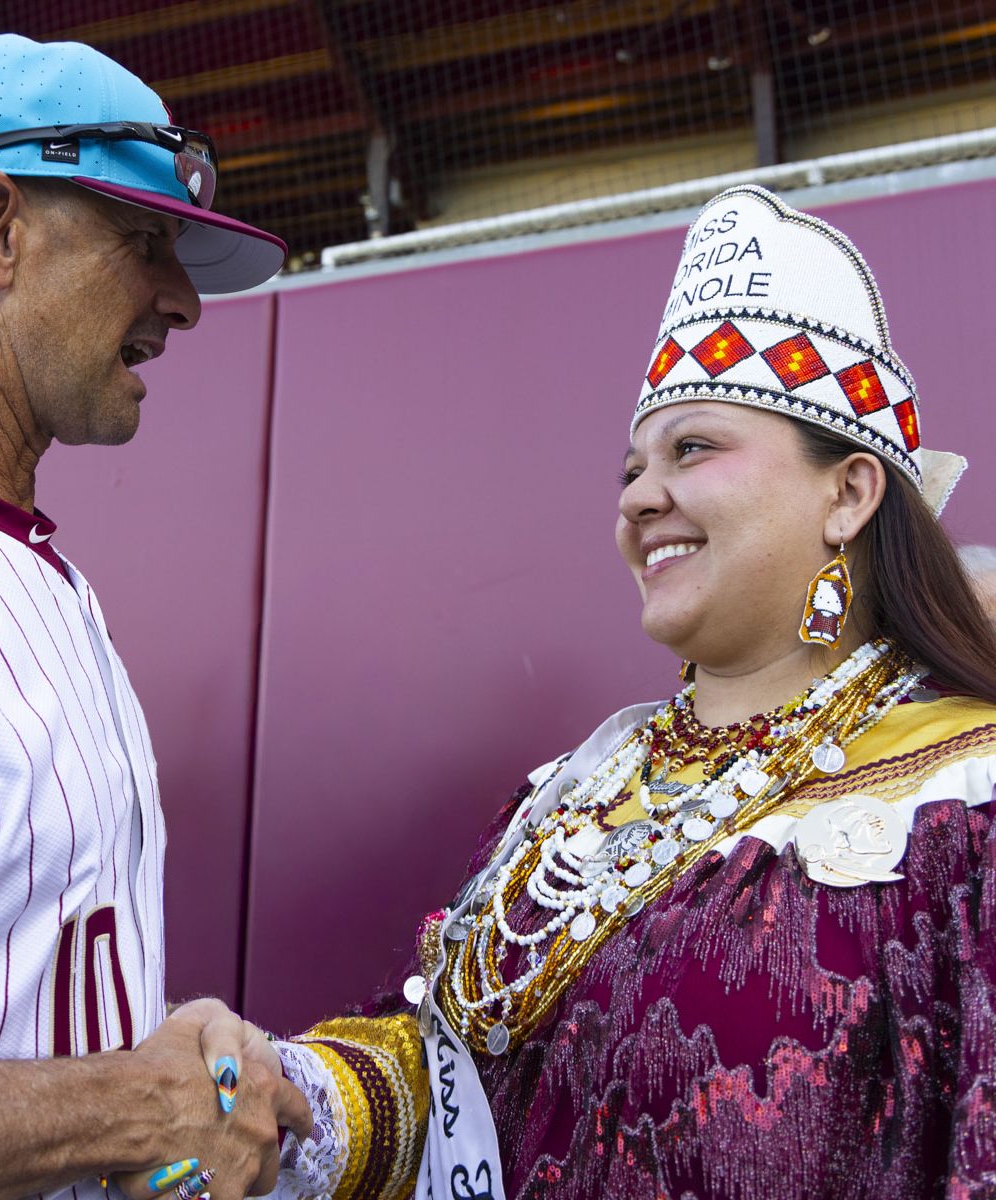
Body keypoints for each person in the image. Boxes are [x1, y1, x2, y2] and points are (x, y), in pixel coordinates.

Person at [228, 185, 996, 1199]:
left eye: (693, 451)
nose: (638, 498)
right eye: (631, 469)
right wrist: (288, 1094)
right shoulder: (571, 797)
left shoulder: (961, 812)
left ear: (848, 493)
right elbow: (452, 1075)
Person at [0, 33, 310, 1200]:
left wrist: (167, 1054)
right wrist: (140, 1104)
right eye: (144, 243)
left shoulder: (45, 579)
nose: (180, 300)